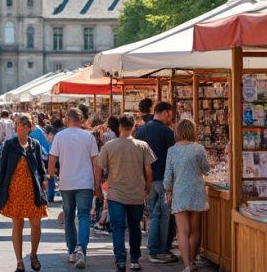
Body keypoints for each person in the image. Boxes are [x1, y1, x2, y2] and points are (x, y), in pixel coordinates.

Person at [93, 114, 154, 272]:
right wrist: (146, 189)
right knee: (134, 227)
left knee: (118, 227)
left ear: (119, 127)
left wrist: (97, 188)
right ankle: (134, 259)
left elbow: (99, 167)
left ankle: (120, 260)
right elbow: (149, 172)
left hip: (116, 195)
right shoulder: (142, 146)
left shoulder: (109, 146)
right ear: (133, 127)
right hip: (136, 193)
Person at [48, 107, 99, 269]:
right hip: (85, 182)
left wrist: (51, 175)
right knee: (84, 216)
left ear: (67, 119)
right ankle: (81, 248)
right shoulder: (89, 136)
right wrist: (97, 184)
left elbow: (52, 158)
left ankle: (71, 251)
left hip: (66, 182)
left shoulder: (60, 136)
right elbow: (96, 162)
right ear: (81, 119)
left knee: (69, 217)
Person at [0, 115, 48, 272]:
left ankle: (33, 254)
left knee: (36, 224)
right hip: (15, 189)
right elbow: (3, 167)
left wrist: (44, 178)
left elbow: (41, 167)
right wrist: (1, 187)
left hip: (33, 189)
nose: (19, 128)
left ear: (29, 129)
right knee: (17, 224)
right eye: (18, 125)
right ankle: (19, 261)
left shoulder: (35, 144)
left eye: (23, 126)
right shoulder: (10, 144)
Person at [163, 119, 210, 271]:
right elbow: (206, 169)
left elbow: (168, 176)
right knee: (196, 230)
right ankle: (193, 259)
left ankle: (187, 265)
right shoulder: (199, 149)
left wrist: (168, 190)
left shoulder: (172, 150)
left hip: (180, 191)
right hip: (197, 191)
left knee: (182, 231)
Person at [135, 101, 178, 264]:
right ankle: (157, 250)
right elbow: (173, 158)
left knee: (154, 214)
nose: (171, 117)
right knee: (162, 216)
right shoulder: (166, 132)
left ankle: (155, 249)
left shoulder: (141, 130)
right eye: (171, 114)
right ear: (166, 112)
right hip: (162, 179)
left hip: (147, 180)